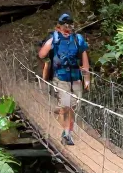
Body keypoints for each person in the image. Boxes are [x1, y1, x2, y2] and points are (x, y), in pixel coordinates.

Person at [38, 13, 90, 146]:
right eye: (63, 29)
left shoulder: (78, 40)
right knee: (67, 103)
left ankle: (66, 127)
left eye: (69, 29)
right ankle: (67, 134)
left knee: (75, 105)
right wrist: (47, 61)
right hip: (60, 77)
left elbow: (85, 60)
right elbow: (42, 54)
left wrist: (87, 78)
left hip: (76, 77)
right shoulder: (54, 40)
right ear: (58, 28)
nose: (66, 32)